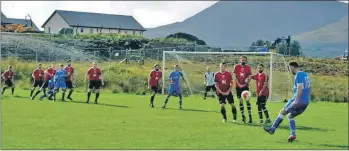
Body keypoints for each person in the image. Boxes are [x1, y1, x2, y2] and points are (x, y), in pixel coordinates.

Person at [263, 62, 311, 142]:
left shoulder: (298, 75)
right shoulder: (305, 75)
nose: (289, 70)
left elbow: (300, 88)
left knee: (282, 112)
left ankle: (272, 129)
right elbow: (309, 88)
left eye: (289, 68)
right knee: (290, 116)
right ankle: (292, 134)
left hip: (297, 100)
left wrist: (296, 100)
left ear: (292, 67)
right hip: (305, 102)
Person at [233, 56, 253, 123]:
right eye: (242, 60)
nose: (243, 61)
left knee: (247, 101)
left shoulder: (248, 67)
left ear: (246, 61)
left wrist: (246, 82)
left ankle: (250, 116)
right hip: (238, 87)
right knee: (240, 101)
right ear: (240, 60)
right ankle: (243, 117)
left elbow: (250, 77)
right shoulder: (236, 67)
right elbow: (234, 76)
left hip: (245, 87)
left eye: (245, 60)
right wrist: (239, 84)